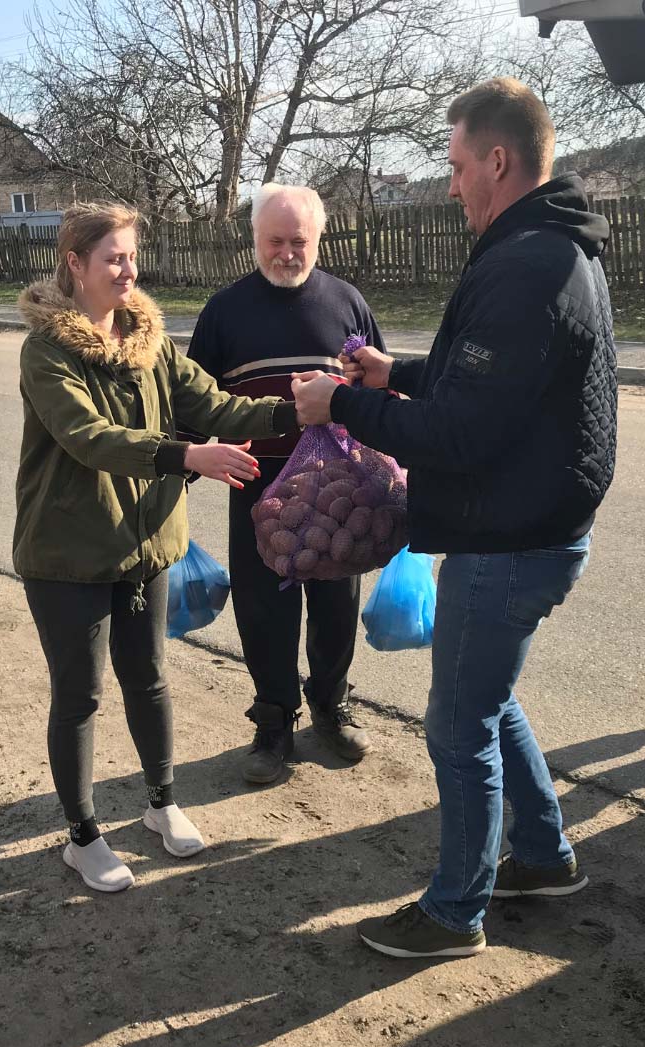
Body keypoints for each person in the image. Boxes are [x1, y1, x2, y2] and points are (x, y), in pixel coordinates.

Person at [292, 79, 618, 958]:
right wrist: (388, 374)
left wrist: (338, 407)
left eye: (457, 165)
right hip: (532, 526)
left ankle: (452, 913)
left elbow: (462, 432)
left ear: (498, 162)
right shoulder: (549, 245)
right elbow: (486, 382)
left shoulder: (526, 265)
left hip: (509, 538)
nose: (449, 184)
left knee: (458, 723)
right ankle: (545, 858)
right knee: (489, 697)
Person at [15, 202, 297, 892]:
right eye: (113, 257)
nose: (128, 270)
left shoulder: (152, 341)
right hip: (68, 552)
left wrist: (300, 410)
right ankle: (82, 836)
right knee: (79, 696)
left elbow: (219, 407)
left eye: (132, 256)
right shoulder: (46, 350)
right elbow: (89, 438)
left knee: (149, 678)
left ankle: (162, 804)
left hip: (143, 549)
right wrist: (186, 457)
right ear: (75, 264)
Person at [185, 184, 385, 781]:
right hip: (257, 483)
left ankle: (331, 703)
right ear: (255, 239)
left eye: (298, 241)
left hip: (338, 491)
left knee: (334, 602)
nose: (286, 253)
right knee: (263, 609)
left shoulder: (347, 303)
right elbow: (192, 399)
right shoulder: (225, 311)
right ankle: (273, 722)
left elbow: (378, 391)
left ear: (317, 239)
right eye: (275, 241)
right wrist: (182, 463)